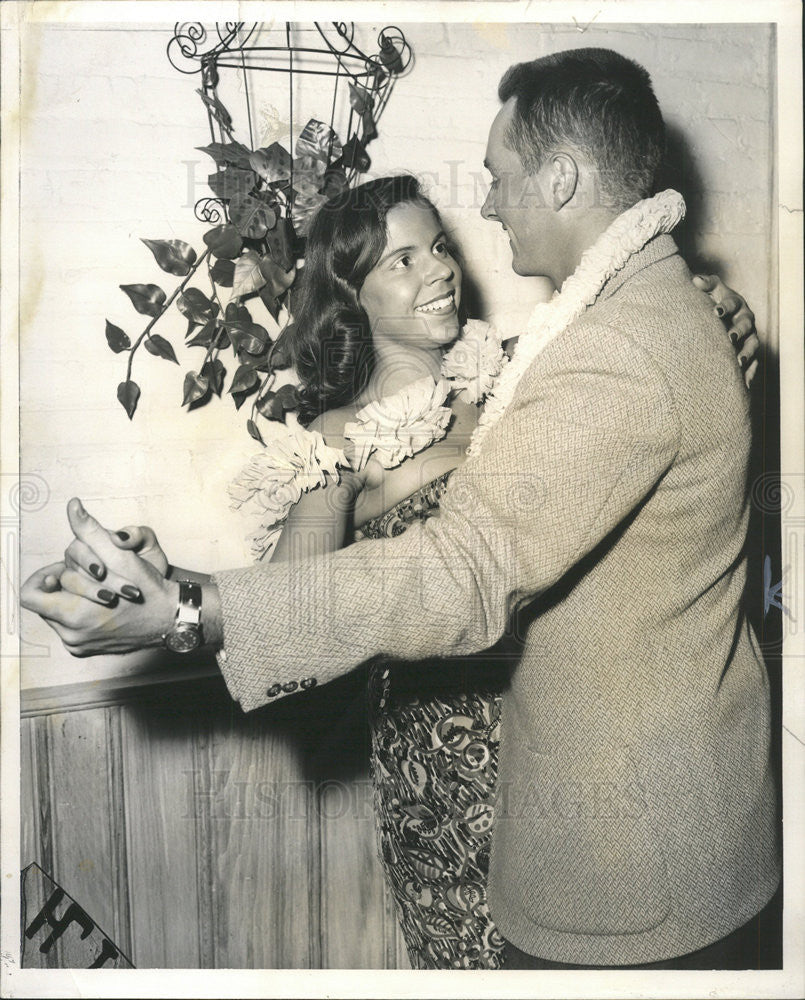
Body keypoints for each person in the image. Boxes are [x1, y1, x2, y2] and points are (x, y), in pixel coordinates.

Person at [22, 47, 778, 970]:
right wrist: (177, 587)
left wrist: (722, 309)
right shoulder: (332, 444)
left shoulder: (539, 360)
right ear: (353, 296)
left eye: (443, 241)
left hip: (586, 791)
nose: (453, 256)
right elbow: (304, 598)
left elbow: (525, 513)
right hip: (452, 779)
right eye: (401, 259)